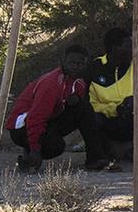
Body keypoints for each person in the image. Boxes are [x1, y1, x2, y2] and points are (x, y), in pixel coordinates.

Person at [8, 44, 91, 173]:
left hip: (48, 119)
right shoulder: (51, 84)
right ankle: (30, 153)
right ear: (63, 61)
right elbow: (36, 117)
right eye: (72, 62)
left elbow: (77, 96)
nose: (75, 67)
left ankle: (96, 157)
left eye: (79, 64)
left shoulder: (78, 82)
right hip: (21, 126)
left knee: (82, 108)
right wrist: (35, 148)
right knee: (55, 146)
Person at [83, 26, 134, 171]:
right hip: (108, 121)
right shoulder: (94, 68)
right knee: (92, 118)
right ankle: (98, 158)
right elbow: (89, 104)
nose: (132, 50)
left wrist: (134, 101)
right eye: (128, 46)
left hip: (133, 119)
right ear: (114, 48)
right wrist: (115, 108)